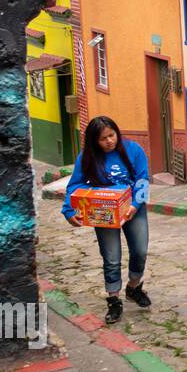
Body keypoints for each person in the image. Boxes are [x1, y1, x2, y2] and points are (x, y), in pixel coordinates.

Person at [61, 116, 152, 324]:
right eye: (103, 138)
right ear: (94, 141)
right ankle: (113, 300)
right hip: (104, 213)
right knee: (111, 257)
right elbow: (75, 185)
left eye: (112, 135)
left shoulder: (133, 150)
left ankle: (134, 287)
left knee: (140, 250)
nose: (110, 141)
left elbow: (142, 179)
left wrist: (135, 206)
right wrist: (68, 210)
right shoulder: (87, 157)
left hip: (133, 209)